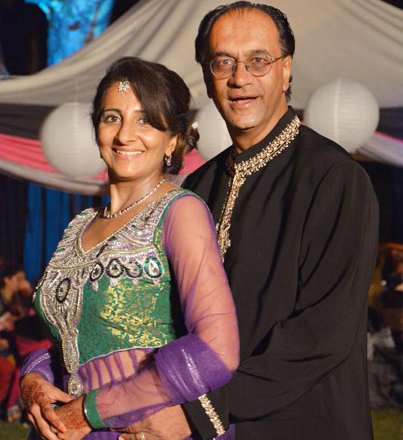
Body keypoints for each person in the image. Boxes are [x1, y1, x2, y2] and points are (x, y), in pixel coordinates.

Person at [116, 2, 379, 440]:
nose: (240, 79)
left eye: (259, 60)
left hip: (306, 425)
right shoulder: (195, 188)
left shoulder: (334, 179)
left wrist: (197, 412)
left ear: (286, 69)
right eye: (224, 62)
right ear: (206, 73)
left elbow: (321, 333)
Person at [19, 56, 239, 440]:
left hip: (137, 428)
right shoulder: (79, 225)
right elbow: (70, 340)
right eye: (111, 117)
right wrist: (32, 379)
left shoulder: (179, 212)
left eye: (145, 120)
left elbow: (217, 350)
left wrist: (90, 412)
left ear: (173, 139)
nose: (125, 135)